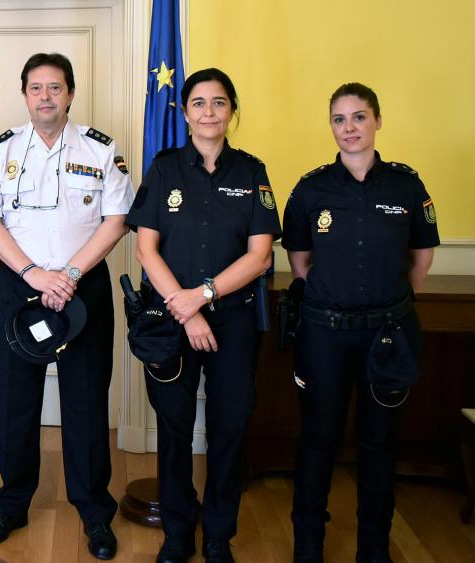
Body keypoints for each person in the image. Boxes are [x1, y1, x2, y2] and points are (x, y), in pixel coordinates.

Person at [0, 53, 133, 558]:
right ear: (24, 95)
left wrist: (70, 274)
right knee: (19, 402)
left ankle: (93, 511)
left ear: (70, 93)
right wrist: (34, 274)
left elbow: (117, 218)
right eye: (36, 88)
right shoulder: (1, 151)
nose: (45, 96)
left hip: (83, 288)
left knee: (86, 401)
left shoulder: (101, 150)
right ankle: (12, 502)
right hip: (22, 287)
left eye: (55, 88)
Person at [125, 67, 280, 563]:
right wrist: (186, 308)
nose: (208, 112)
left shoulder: (252, 171)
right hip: (173, 318)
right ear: (185, 111)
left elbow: (259, 257)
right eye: (198, 102)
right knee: (172, 428)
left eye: (218, 102)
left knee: (229, 428)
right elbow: (146, 250)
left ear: (232, 111)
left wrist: (205, 296)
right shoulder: (165, 167)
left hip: (233, 320)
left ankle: (218, 534)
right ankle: (177, 531)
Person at [284, 83, 438, 563]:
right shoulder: (311, 189)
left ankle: (374, 548)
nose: (348, 128)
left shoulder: (405, 185)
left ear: (377, 121)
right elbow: (301, 262)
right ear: (330, 125)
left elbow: (421, 258)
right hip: (325, 335)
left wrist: (379, 302)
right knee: (318, 440)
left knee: (379, 442)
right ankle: (309, 544)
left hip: (385, 335)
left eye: (358, 117)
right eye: (339, 119)